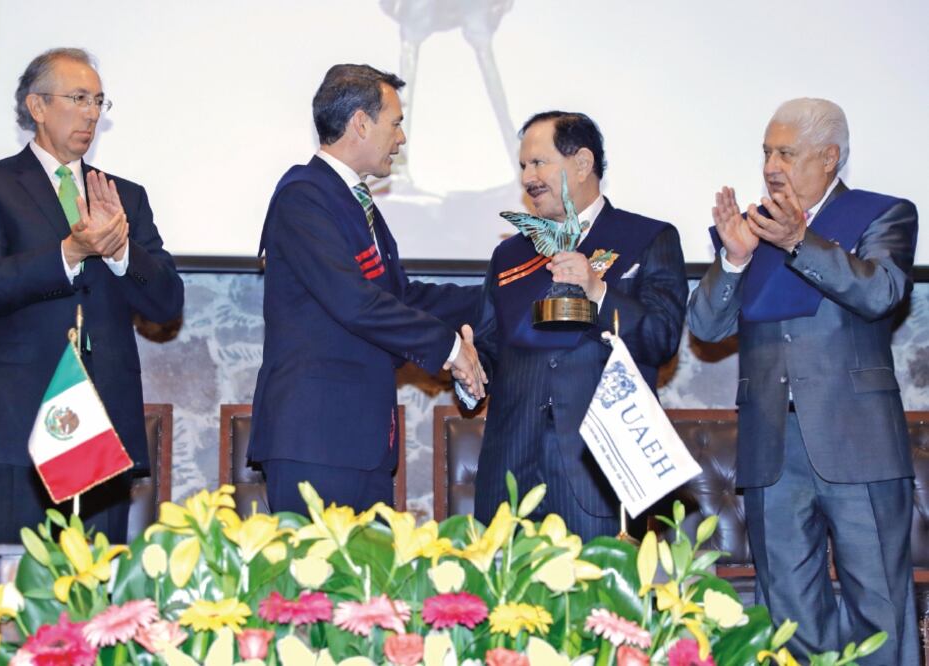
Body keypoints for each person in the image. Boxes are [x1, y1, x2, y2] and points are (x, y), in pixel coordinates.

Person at [687, 98, 918, 663]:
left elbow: (882, 293)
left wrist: (798, 242)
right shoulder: (751, 230)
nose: (771, 166)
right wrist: (735, 260)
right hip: (772, 444)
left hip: (857, 439)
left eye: (786, 153)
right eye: (767, 152)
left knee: (879, 605)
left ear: (829, 156)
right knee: (788, 611)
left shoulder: (882, 214)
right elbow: (706, 327)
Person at [0, 48, 184, 587]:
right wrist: (71, 251)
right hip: (16, 421)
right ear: (37, 106)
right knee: (19, 594)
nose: (91, 113)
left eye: (98, 101)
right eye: (78, 98)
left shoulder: (124, 198)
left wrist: (120, 249)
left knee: (96, 595)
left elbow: (166, 303)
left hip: (101, 422)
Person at [248, 64, 485, 515]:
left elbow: (401, 298)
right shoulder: (303, 195)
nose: (401, 138)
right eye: (395, 123)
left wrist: (498, 296)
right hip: (316, 440)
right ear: (360, 122)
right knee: (312, 565)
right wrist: (450, 348)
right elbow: (354, 301)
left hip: (358, 442)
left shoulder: (352, 200)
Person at [472, 111, 687, 540]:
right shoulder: (510, 255)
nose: (528, 178)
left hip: (600, 468)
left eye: (539, 163)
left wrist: (598, 291)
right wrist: (468, 368)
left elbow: (660, 339)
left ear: (583, 163)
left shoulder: (647, 238)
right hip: (510, 472)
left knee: (601, 587)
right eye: (523, 166)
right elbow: (491, 349)